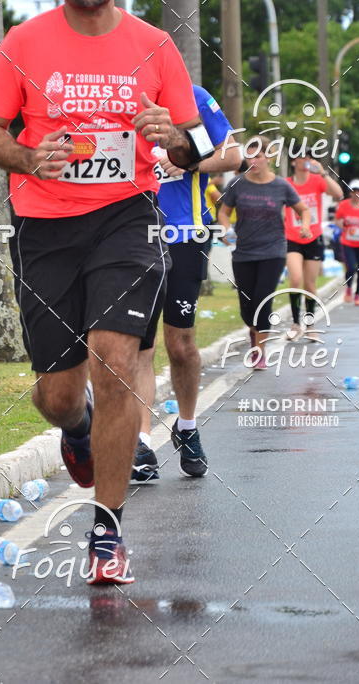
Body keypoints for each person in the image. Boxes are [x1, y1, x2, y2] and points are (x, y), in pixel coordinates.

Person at [0, 0, 215, 584]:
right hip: (44, 226)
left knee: (113, 362)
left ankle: (106, 534)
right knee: (56, 393)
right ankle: (74, 429)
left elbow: (194, 142)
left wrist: (175, 138)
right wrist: (26, 155)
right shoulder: (25, 43)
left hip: (125, 219)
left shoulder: (154, 45)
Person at [132, 87, 241, 484]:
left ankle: (188, 427)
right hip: (129, 240)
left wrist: (189, 163)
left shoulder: (190, 96)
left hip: (185, 236)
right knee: (139, 346)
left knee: (181, 344)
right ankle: (141, 443)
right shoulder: (111, 90)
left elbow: (234, 155)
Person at [217, 136, 312, 370]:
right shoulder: (237, 184)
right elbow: (223, 213)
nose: (254, 160)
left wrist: (305, 225)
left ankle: (260, 352)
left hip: (273, 251)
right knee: (247, 307)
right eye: (250, 155)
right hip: (243, 253)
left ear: (269, 157)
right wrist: (227, 230)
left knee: (262, 299)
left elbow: (303, 209)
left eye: (259, 155)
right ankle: (254, 333)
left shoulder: (281, 186)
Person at [284, 152, 343, 341]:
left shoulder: (317, 180)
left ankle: (309, 324)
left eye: (309, 157)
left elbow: (339, 194)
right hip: (292, 237)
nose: (306, 161)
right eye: (302, 157)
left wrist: (324, 173)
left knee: (310, 284)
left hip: (313, 237)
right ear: (294, 161)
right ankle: (295, 324)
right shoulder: (286, 184)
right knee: (295, 278)